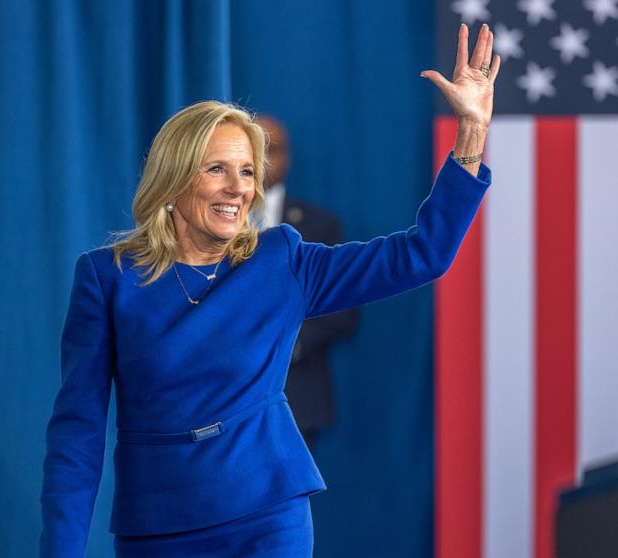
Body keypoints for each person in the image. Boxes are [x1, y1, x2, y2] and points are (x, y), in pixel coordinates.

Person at [40, 23, 501, 558]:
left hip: (268, 514)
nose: (239, 188)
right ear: (173, 178)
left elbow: (422, 254)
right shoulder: (107, 277)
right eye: (217, 169)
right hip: (159, 524)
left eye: (247, 171)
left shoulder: (281, 259)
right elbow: (77, 434)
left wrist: (471, 132)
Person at [256, 115, 358, 449]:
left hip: (295, 396)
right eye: (254, 149)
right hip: (220, 399)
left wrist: (287, 342)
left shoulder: (318, 226)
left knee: (288, 501)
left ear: (288, 158)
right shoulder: (211, 223)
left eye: (273, 150)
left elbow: (342, 313)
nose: (263, 160)